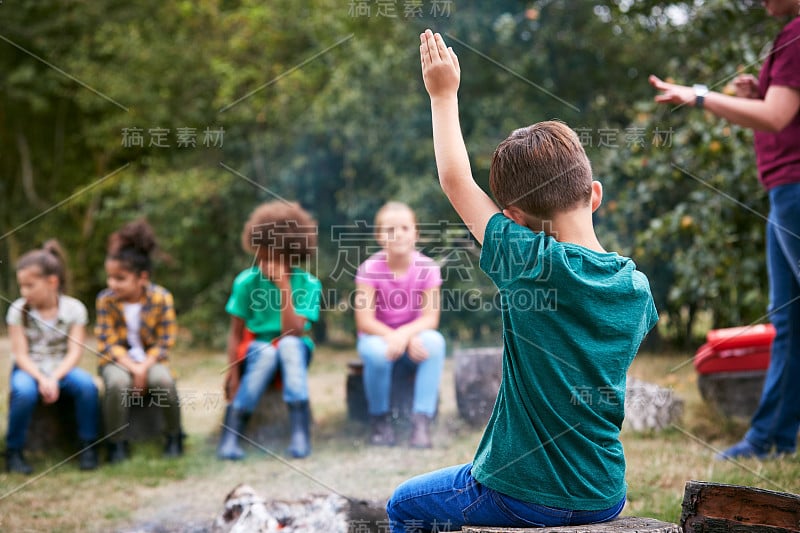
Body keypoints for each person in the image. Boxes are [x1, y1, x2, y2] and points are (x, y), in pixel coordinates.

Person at [385, 30, 659, 531]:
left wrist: (443, 95)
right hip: (604, 493)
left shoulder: (528, 261)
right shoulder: (636, 289)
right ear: (594, 193)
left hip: (521, 493)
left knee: (402, 505)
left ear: (513, 217)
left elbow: (454, 179)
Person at [649, 0, 800, 461]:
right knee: (789, 321)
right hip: (783, 191)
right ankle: (770, 438)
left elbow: (776, 117)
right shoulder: (787, 36)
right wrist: (758, 93)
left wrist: (698, 95)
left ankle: (768, 437)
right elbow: (780, 110)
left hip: (796, 189)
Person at [217, 201, 322, 460]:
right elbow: (235, 334)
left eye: (271, 257)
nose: (264, 264)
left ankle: (300, 433)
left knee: (286, 346)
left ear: (291, 253)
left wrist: (283, 285)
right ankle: (233, 434)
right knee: (265, 353)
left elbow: (294, 332)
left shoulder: (308, 284)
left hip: (294, 347)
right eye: (261, 257)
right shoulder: (246, 281)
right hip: (256, 349)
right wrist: (232, 373)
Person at [354, 201, 446, 448]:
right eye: (390, 230)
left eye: (405, 228)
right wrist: (395, 338)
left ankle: (421, 422)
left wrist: (404, 336)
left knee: (435, 343)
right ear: (379, 236)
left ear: (415, 233)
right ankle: (380, 421)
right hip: (378, 337)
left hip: (412, 337)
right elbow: (365, 320)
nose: (398, 235)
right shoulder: (369, 270)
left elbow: (430, 319)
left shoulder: (427, 269)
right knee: (376, 353)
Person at [4, 241, 100, 474]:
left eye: (30, 285)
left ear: (52, 282)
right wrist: (41, 378)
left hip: (62, 368)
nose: (24, 292)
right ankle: (13, 450)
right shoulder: (17, 310)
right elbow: (20, 354)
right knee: (24, 392)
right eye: (21, 286)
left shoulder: (74, 309)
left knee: (87, 387)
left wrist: (54, 377)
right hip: (29, 369)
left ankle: (88, 445)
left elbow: (75, 352)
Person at [95, 219, 183, 463]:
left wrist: (144, 368)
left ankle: (174, 436)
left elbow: (166, 340)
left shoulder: (161, 298)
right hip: (117, 360)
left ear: (141, 278)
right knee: (116, 383)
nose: (112, 284)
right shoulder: (106, 300)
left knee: (164, 381)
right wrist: (133, 368)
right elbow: (108, 341)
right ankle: (116, 444)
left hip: (151, 359)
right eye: (110, 277)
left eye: (120, 278)